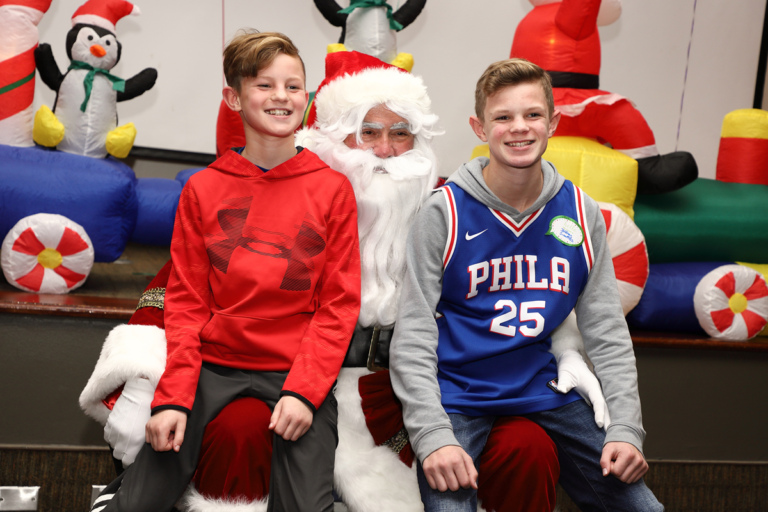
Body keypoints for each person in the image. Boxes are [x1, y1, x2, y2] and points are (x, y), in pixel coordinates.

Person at [81, 51, 608, 512]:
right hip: (292, 377)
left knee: (527, 448)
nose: (384, 151)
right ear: (333, 138)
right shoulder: (283, 196)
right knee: (240, 427)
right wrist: (151, 375)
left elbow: (534, 283)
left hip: (410, 394)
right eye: (368, 133)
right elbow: (178, 294)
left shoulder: (451, 207)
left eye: (401, 133)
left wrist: (565, 347)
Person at [87, 30, 361, 512]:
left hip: (292, 369)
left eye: (293, 86)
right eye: (264, 85)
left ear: (307, 96)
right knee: (138, 504)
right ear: (233, 97)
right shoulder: (204, 189)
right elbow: (188, 303)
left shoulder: (332, 189)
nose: (281, 97)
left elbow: (338, 307)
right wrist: (173, 398)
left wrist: (304, 393)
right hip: (212, 367)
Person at [389, 58, 663, 511]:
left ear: (553, 122)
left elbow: (608, 333)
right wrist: (432, 436)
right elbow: (413, 336)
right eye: (503, 117)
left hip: (547, 391)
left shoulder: (580, 210)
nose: (520, 128)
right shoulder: (444, 213)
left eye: (533, 114)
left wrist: (626, 429)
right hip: (457, 396)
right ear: (480, 127)